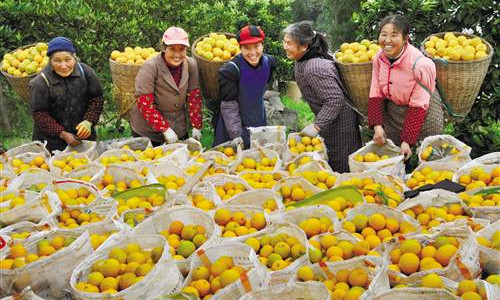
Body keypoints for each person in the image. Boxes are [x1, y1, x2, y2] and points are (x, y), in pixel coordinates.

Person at [282, 21, 362, 173]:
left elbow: (334, 99)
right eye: (284, 42)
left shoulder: (314, 68)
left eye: (289, 43)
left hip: (341, 127)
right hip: (331, 123)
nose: (285, 47)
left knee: (341, 168)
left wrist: (316, 126)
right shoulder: (302, 60)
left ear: (304, 46)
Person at [368, 14, 443, 160]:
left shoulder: (420, 65)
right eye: (384, 35)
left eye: (394, 35)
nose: (387, 40)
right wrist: (377, 125)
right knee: (396, 158)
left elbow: (418, 103)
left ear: (405, 38)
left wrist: (407, 140)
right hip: (395, 111)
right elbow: (375, 90)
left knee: (429, 159)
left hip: (424, 113)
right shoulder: (379, 58)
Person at [130, 26, 202, 146]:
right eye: (172, 49)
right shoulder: (150, 67)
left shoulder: (190, 64)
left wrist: (196, 125)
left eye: (182, 49)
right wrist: (164, 129)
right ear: (164, 48)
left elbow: (194, 96)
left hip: (178, 127)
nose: (177, 54)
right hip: (148, 131)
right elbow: (145, 104)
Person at [30, 37, 103, 152]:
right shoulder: (40, 82)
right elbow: (40, 114)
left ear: (74, 57)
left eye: (68, 59)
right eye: (57, 61)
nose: (63, 66)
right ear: (50, 61)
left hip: (83, 138)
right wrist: (62, 134)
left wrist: (88, 121)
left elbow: (96, 99)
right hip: (50, 143)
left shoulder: (86, 72)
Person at [213, 25, 277, 148]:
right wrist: (236, 134)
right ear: (240, 48)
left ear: (262, 45)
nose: (253, 53)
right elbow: (229, 105)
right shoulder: (231, 71)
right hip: (234, 124)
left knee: (258, 160)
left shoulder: (269, 62)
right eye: (247, 48)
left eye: (257, 46)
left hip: (258, 118)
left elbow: (261, 86)